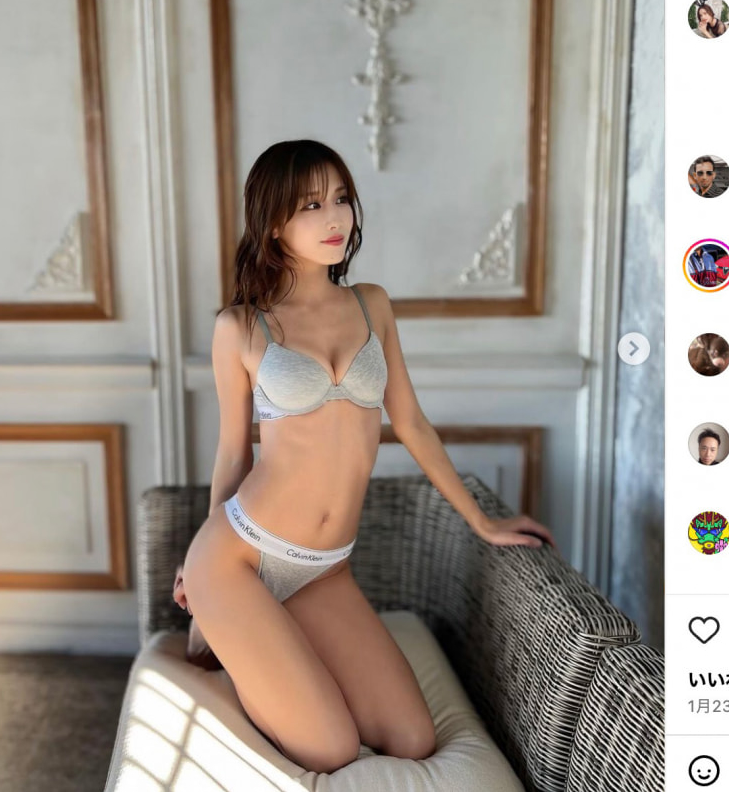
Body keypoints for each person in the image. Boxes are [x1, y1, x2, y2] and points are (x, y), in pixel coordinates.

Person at [172, 139, 554, 774]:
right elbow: (233, 451)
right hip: (237, 557)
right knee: (332, 748)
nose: (335, 219)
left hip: (325, 571)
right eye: (310, 205)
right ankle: (236, 638)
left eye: (342, 199)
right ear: (272, 222)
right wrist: (196, 558)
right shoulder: (240, 326)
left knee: (413, 738)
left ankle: (265, 644)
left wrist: (482, 521)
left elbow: (412, 424)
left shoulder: (371, 304)